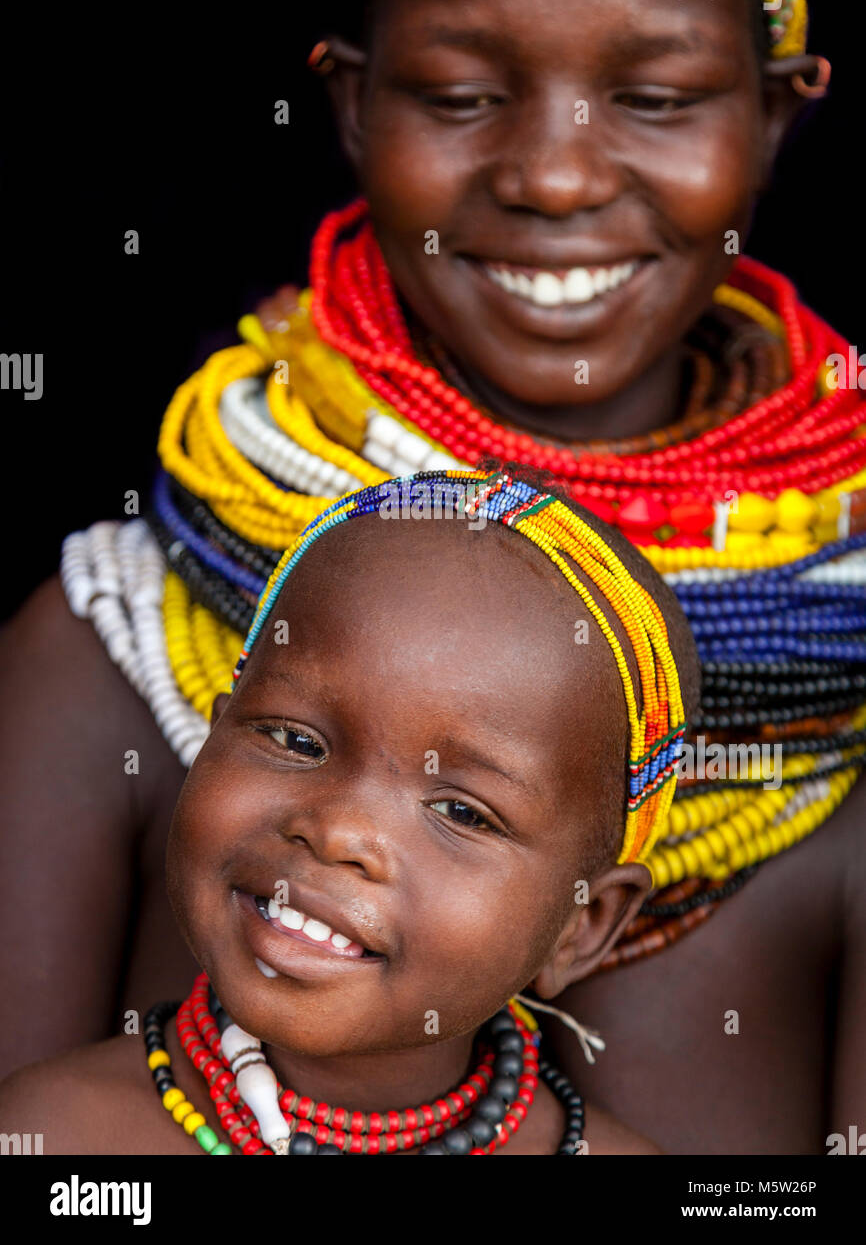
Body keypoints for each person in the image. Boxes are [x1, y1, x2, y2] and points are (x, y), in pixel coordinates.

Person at [1, 0, 862, 1153]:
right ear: (349, 103)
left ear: (773, 114)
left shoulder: (843, 706)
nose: (554, 179)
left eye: (656, 95)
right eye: (459, 94)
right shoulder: (110, 643)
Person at [0, 468, 698, 1155]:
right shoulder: (54, 1134)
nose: (339, 833)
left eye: (462, 811)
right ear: (213, 736)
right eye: (294, 740)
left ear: (583, 925)